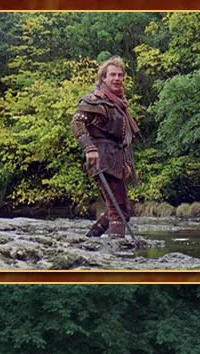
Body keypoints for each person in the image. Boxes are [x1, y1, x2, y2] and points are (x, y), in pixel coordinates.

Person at [72, 57, 138, 238]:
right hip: (102, 156)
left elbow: (123, 137)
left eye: (120, 75)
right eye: (112, 75)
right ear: (103, 78)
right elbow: (77, 123)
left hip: (115, 157)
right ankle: (118, 249)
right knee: (119, 208)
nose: (117, 78)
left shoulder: (119, 103)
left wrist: (125, 162)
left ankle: (91, 238)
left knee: (118, 207)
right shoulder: (96, 100)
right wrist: (89, 148)